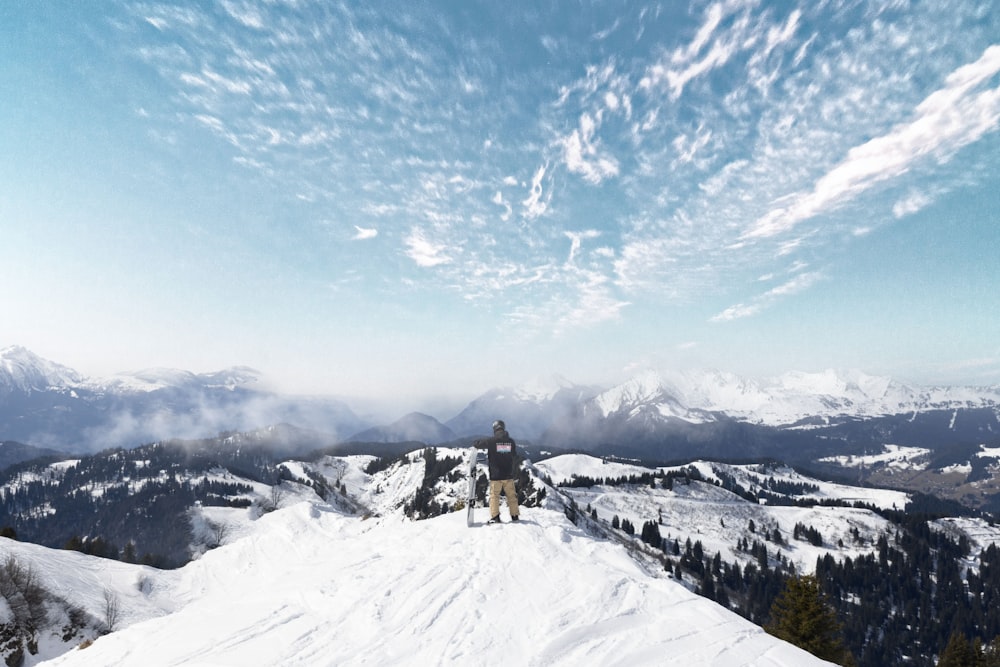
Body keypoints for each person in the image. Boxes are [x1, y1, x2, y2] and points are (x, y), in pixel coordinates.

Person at [474, 419, 520, 524]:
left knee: (494, 496)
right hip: (508, 474)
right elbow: (513, 454)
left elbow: (477, 444)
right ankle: (515, 516)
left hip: (496, 475)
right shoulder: (511, 442)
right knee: (511, 496)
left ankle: (495, 517)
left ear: (494, 429)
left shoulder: (491, 441)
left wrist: (474, 442)